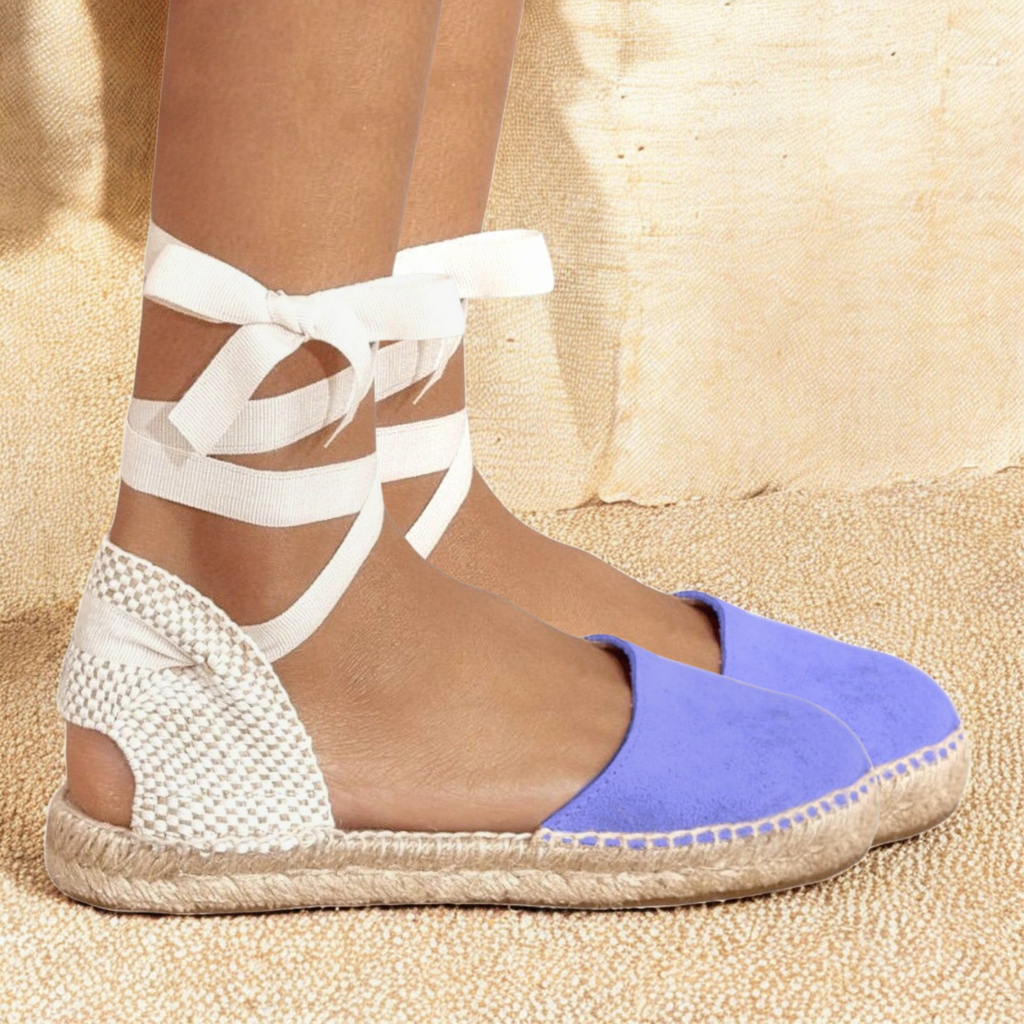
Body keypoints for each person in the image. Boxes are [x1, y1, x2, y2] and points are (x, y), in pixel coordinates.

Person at [45, 0, 964, 914]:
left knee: (401, 460)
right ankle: (252, 582)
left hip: (391, 533)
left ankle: (403, 503)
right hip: (257, 606)